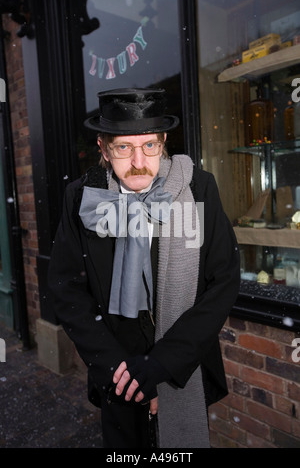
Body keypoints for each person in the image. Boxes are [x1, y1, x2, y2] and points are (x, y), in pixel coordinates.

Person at [48, 88, 240, 448]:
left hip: (184, 367)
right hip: (117, 375)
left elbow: (224, 281)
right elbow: (65, 287)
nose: (139, 160)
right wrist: (118, 370)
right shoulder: (81, 197)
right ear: (104, 148)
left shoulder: (198, 189)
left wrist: (162, 364)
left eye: (150, 145)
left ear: (164, 141)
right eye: (124, 147)